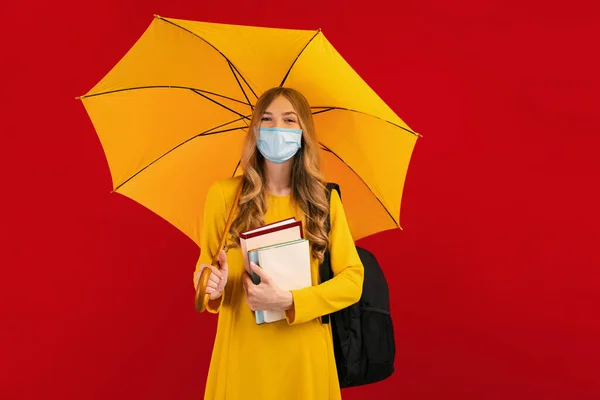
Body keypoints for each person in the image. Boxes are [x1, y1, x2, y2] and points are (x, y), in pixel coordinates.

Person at [193, 87, 364, 400]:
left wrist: (288, 300)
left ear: (303, 132)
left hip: (305, 356)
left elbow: (353, 281)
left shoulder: (324, 201)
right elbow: (205, 272)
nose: (277, 129)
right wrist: (211, 286)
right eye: (267, 119)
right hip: (244, 352)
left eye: (289, 120)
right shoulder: (224, 197)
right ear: (255, 130)